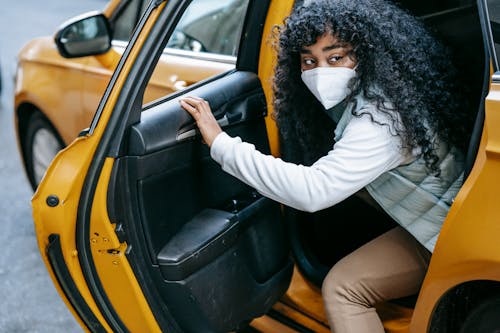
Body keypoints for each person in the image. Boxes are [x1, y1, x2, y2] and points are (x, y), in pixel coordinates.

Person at [179, 0, 470, 331]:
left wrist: (220, 144)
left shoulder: (382, 120)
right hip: (443, 218)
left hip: (448, 236)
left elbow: (312, 191)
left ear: (365, 53)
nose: (321, 71)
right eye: (309, 61)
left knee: (343, 288)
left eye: (335, 57)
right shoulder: (387, 89)